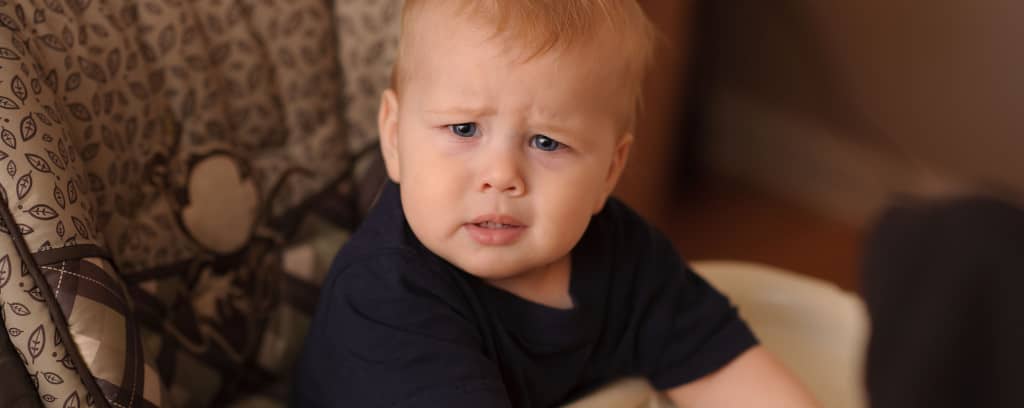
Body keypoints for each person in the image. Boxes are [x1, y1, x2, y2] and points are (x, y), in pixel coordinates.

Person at [292, 1, 817, 406]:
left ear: (610, 170)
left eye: (546, 142)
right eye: (463, 128)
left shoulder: (624, 257)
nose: (501, 176)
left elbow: (729, 372)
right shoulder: (386, 301)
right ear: (394, 137)